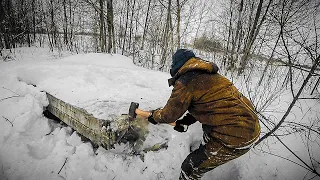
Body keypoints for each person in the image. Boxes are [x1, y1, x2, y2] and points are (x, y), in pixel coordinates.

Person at [135, 49, 260, 180]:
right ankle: (205, 149)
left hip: (235, 138)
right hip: (251, 127)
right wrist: (185, 122)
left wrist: (153, 116)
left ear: (177, 65)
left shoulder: (185, 82)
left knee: (190, 168)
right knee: (205, 144)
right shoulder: (213, 76)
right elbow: (208, 105)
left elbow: (168, 115)